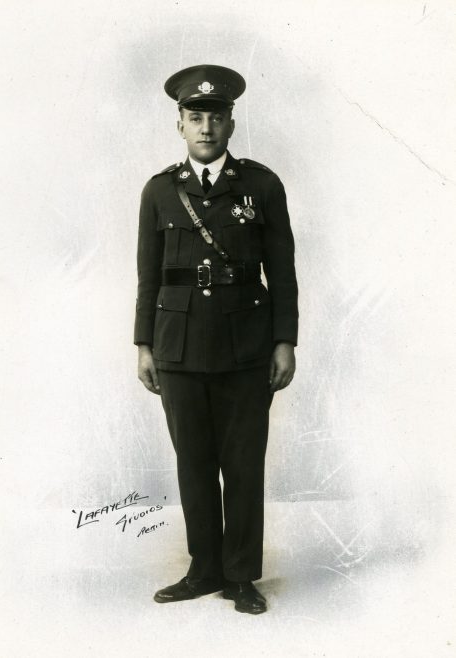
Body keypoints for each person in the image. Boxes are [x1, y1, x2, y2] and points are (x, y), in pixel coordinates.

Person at [134, 64, 298, 615]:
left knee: (244, 464)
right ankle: (203, 569)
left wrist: (284, 341)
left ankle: (241, 576)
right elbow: (148, 276)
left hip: (247, 346)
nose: (206, 127)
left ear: (231, 123)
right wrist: (143, 344)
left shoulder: (261, 185)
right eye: (195, 117)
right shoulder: (159, 191)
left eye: (216, 117)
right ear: (179, 123)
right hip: (176, 346)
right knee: (193, 464)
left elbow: (283, 270)